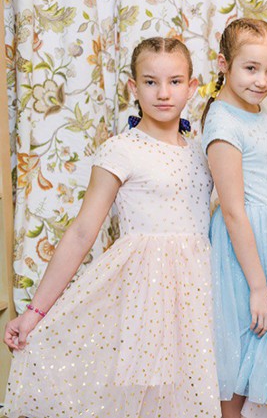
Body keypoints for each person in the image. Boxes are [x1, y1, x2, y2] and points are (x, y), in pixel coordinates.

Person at [4, 38, 219, 417]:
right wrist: (35, 312)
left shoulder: (204, 151)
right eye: (150, 82)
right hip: (146, 290)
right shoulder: (122, 149)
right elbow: (82, 232)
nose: (163, 93)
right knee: (146, 393)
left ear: (191, 86)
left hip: (200, 288)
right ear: (133, 87)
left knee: (193, 391)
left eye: (174, 81)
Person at [201, 18, 267, 417]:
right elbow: (232, 210)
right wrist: (258, 287)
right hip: (249, 249)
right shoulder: (223, 124)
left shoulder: (265, 106)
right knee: (241, 351)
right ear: (223, 64)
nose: (262, 81)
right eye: (250, 68)